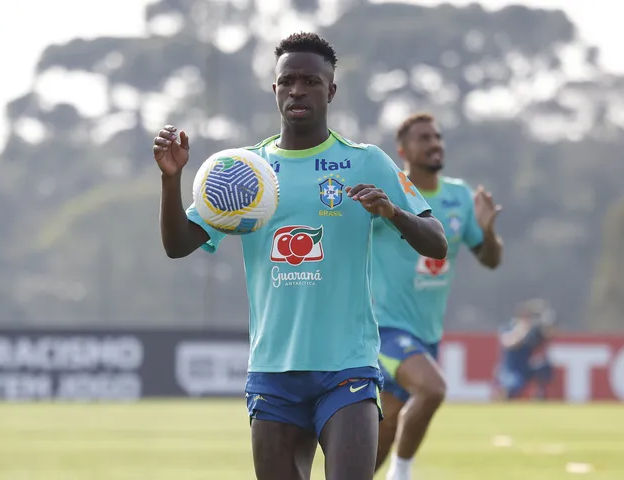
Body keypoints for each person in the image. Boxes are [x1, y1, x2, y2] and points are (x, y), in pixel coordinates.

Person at [153, 33, 448, 480]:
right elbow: (178, 245)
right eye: (287, 80)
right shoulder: (243, 172)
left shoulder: (365, 161)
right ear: (274, 90)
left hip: (347, 366)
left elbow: (436, 242)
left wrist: (392, 211)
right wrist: (171, 181)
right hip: (274, 370)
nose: (297, 90)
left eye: (310, 81)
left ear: (330, 90)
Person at [372, 113, 504, 480]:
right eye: (423, 138)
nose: (434, 144)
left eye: (438, 137)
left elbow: (491, 260)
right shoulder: (389, 193)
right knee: (433, 389)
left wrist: (489, 232)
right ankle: (403, 474)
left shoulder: (459, 195)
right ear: (403, 150)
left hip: (427, 334)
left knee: (386, 429)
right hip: (384, 327)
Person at [495, 298, 556, 400]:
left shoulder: (532, 331)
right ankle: (503, 398)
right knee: (512, 387)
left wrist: (546, 321)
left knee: (544, 366)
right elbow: (509, 343)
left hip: (526, 367)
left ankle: (539, 394)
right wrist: (522, 330)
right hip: (511, 369)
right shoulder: (508, 328)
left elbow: (549, 335)